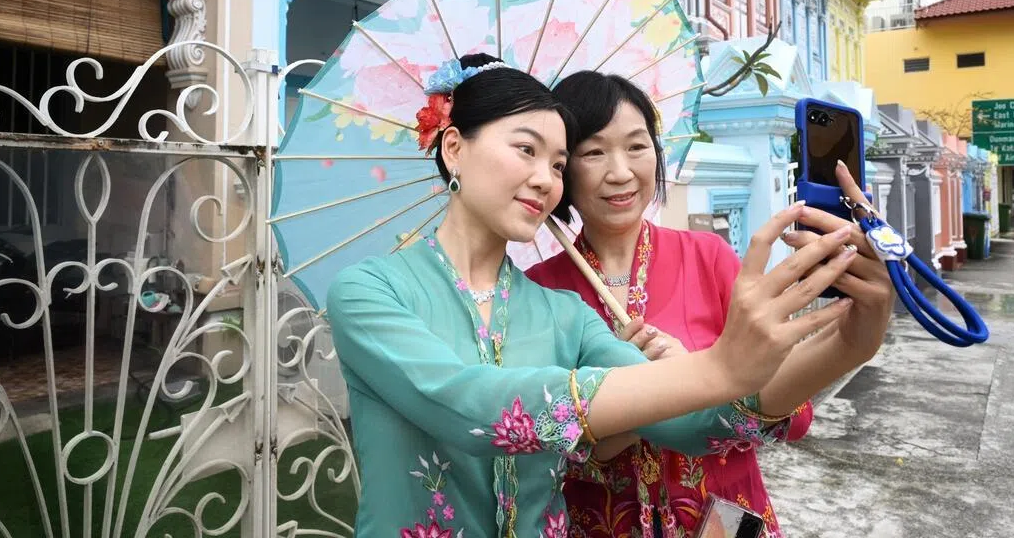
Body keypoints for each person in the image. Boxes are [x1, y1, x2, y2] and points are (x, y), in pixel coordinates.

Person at [328, 54, 861, 537]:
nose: (545, 179)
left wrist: (852, 337)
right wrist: (721, 366)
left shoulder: (564, 311)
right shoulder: (368, 291)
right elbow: (471, 406)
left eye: (558, 164)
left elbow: (696, 425)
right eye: (526, 150)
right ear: (453, 148)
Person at [527, 71, 896, 538]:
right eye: (593, 152)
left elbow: (793, 414)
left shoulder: (708, 257)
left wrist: (853, 338)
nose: (620, 172)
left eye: (637, 146)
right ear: (562, 168)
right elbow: (539, 453)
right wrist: (646, 397)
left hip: (723, 517)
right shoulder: (538, 290)